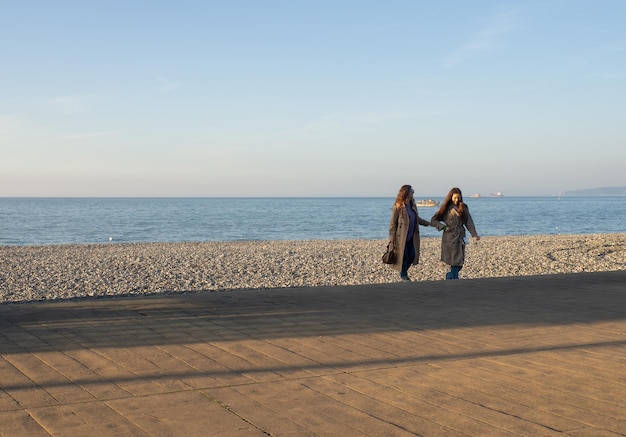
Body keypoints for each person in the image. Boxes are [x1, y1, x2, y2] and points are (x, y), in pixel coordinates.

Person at [430, 187, 480, 279]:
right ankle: (454, 279)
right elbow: (433, 220)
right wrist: (444, 227)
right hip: (450, 236)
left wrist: (474, 234)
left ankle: (450, 276)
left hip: (460, 235)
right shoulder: (444, 208)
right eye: (455, 198)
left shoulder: (463, 208)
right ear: (451, 197)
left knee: (460, 261)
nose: (457, 200)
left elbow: (469, 222)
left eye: (458, 198)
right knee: (454, 260)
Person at [388, 184, 432, 281]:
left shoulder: (413, 205)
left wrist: (428, 223)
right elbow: (393, 223)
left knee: (412, 255)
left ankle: (403, 271)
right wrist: (392, 238)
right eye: (412, 191)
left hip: (412, 237)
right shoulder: (398, 206)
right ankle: (403, 275)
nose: (413, 192)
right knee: (404, 255)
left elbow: (417, 219)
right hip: (401, 238)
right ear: (406, 192)